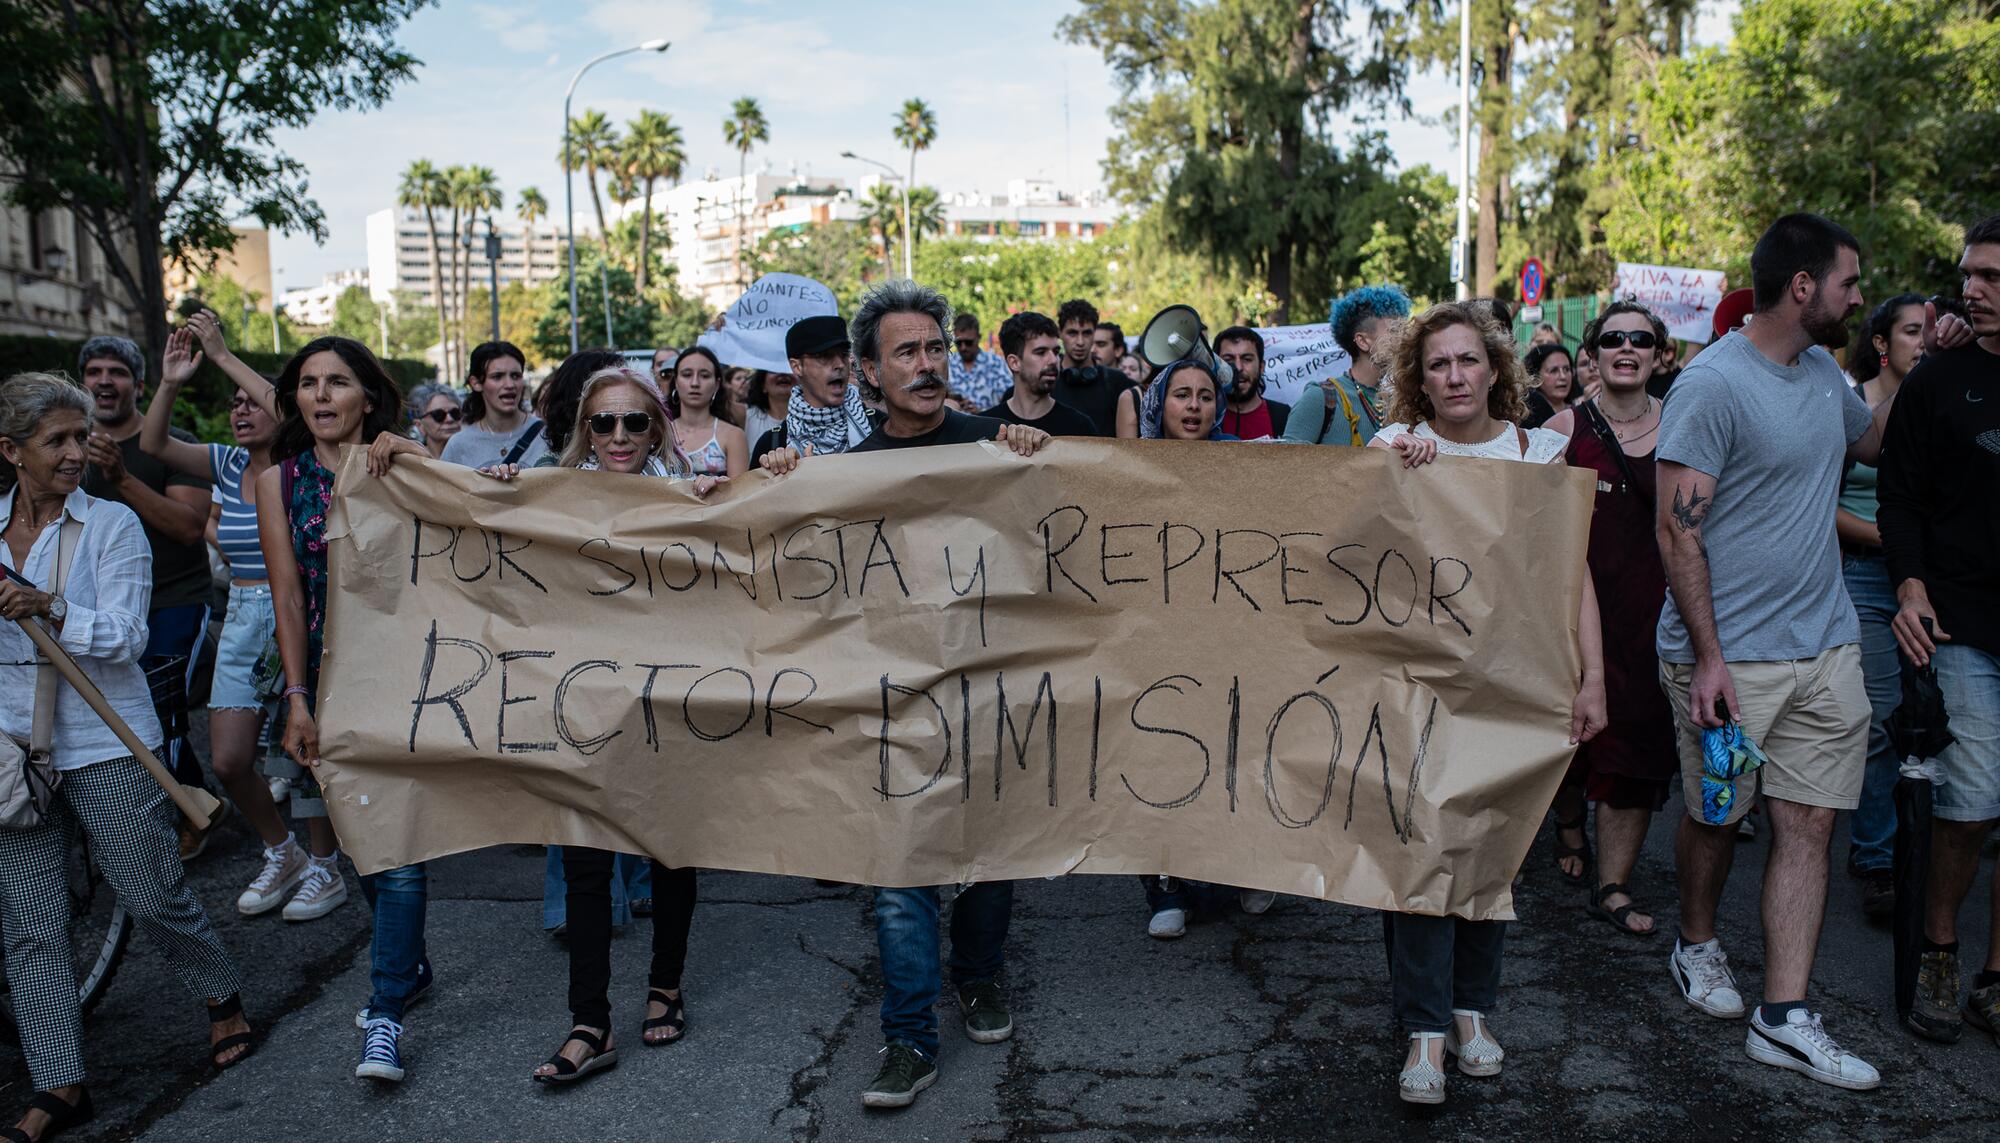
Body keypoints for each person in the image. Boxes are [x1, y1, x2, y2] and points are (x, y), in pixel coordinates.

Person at [758, 281, 1049, 1112]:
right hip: (886, 704)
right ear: (869, 373)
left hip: (993, 692)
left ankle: (979, 974)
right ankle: (909, 1035)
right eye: (906, 352)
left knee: (992, 853)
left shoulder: (999, 445)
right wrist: (778, 478)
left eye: (933, 348)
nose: (926, 364)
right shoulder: (840, 475)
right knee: (899, 871)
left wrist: (1039, 447)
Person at [1654, 213, 1897, 1091]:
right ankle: (1697, 943)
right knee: (1719, 813)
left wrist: (1914, 367)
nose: (1859, 297)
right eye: (1849, 282)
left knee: (1809, 822)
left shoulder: (1826, 370)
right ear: (1804, 287)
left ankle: (1784, 1016)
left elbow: (1868, 441)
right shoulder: (1712, 386)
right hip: (1730, 658)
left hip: (1825, 645)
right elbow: (1677, 534)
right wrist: (1710, 659)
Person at [1, 371, 256, 1143]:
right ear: (11, 451)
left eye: (82, 436)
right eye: (59, 441)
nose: (79, 451)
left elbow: (127, 637)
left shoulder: (110, 526)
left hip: (105, 740)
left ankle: (221, 998)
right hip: (10, 749)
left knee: (149, 891)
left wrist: (50, 605)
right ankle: (60, 1081)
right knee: (32, 926)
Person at [1363, 301, 1607, 1105]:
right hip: (1415, 686)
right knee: (1422, 845)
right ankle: (1425, 1028)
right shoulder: (1390, 449)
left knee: (1490, 844)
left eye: (1468, 360)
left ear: (1496, 368)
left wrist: (1593, 677)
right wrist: (1400, 488)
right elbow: (1351, 564)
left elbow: (1573, 576)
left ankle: (1473, 1010)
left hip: (1516, 683)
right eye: (1438, 364)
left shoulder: (1540, 453)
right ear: (1418, 380)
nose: (1456, 375)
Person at [473, 365, 718, 1081]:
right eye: (603, 422)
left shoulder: (687, 497)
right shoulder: (547, 496)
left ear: (657, 429)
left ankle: (665, 986)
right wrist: (482, 491)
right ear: (585, 429)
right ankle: (590, 1020)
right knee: (584, 863)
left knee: (672, 851)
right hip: (575, 706)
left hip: (667, 706)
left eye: (634, 422)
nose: (618, 436)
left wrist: (724, 503)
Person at [255, 336, 436, 1084]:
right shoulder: (277, 480)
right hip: (326, 686)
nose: (321, 395)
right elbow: (288, 597)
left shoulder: (404, 462)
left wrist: (418, 456)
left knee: (396, 848)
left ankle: (385, 1011)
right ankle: (412, 964)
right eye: (307, 383)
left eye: (337, 382)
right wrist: (297, 698)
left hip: (407, 678)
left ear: (369, 394)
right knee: (363, 841)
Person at [141, 314, 347, 922]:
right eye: (232, 403)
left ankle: (324, 868)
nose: (241, 410)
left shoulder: (304, 463)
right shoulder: (228, 466)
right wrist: (171, 381)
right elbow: (153, 445)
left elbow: (287, 401)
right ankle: (279, 851)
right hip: (243, 614)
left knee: (302, 755)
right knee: (230, 759)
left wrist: (226, 355)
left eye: (250, 401)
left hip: (303, 610)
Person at [1877, 213, 2000, 1046]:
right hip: (1959, 624)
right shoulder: (1938, 376)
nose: (1970, 289)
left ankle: (1996, 979)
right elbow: (1899, 495)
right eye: (1969, 274)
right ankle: (1940, 947)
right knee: (1972, 800)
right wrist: (1910, 586)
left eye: (1990, 276)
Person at [1542, 302, 1676, 937]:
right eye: (1614, 338)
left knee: (1639, 744)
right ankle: (1569, 824)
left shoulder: (1683, 427)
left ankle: (1613, 884)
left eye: (1641, 339)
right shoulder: (1563, 428)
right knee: (1570, 739)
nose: (1628, 347)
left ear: (1660, 355)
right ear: (1591, 353)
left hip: (1657, 613)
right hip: (1575, 612)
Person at [74, 334, 214, 813]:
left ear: (137, 384)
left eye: (116, 372)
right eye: (95, 372)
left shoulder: (176, 447)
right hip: (101, 608)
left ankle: (182, 819)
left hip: (175, 598)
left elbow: (190, 528)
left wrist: (122, 479)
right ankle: (201, 801)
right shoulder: (68, 450)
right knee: (118, 715)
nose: (104, 381)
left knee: (160, 704)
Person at [1837, 292, 1931, 921]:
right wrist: (1888, 540)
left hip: (1931, 580)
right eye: (1912, 331)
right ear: (1881, 343)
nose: (1923, 342)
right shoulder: (1854, 402)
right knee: (1878, 720)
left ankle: (1919, 850)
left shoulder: (1950, 395)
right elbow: (1824, 498)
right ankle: (1875, 856)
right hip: (1866, 575)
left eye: (1930, 332)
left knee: (1927, 723)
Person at [1284, 285, 1411, 446]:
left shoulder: (1401, 403)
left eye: (1403, 330)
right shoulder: (1319, 397)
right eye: (1394, 330)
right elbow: (1286, 465)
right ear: (1363, 341)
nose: (1404, 338)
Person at [750, 314, 881, 461]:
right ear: (797, 367)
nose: (839, 364)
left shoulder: (880, 425)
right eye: (824, 356)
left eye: (844, 354)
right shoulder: (772, 445)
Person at [982, 311, 1099, 436]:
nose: (1054, 360)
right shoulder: (985, 428)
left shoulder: (1080, 427)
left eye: (1055, 351)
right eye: (1041, 352)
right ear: (1014, 363)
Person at [439, 340, 546, 468]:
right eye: (497, 376)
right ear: (476, 383)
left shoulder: (548, 436)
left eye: (515, 376)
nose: (509, 385)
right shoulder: (458, 445)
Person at [1050, 299, 1131, 439]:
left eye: (1087, 333)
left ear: (1094, 333)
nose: (1080, 342)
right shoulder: (1047, 381)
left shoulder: (1117, 382)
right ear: (1060, 334)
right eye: (1072, 333)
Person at [667, 346, 749, 478]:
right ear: (676, 381)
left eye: (704, 376)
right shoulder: (660, 433)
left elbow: (740, 494)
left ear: (717, 384)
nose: (695, 383)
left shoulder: (733, 436)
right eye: (687, 375)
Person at [1214, 326, 1290, 439]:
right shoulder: (1205, 418)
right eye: (1228, 360)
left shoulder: (1284, 416)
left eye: (1247, 359)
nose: (1238, 368)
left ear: (1261, 367)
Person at [947, 312, 1012, 410]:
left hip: (988, 423)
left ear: (978, 338)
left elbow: (1010, 399)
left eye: (968, 342)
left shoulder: (995, 363)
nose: (963, 347)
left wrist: (981, 413)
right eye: (959, 343)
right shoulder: (947, 363)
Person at [1520, 342, 1576, 429]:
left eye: (1566, 369)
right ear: (1535, 376)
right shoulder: (1524, 416)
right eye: (1553, 370)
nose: (1563, 376)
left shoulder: (1579, 411)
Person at [740, 369, 794, 449]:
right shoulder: (745, 415)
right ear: (763, 386)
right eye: (773, 370)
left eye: (789, 369)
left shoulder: (810, 419)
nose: (783, 373)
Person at [408, 385, 463, 457]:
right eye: (439, 414)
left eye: (455, 413)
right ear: (420, 426)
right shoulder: (412, 462)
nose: (450, 419)